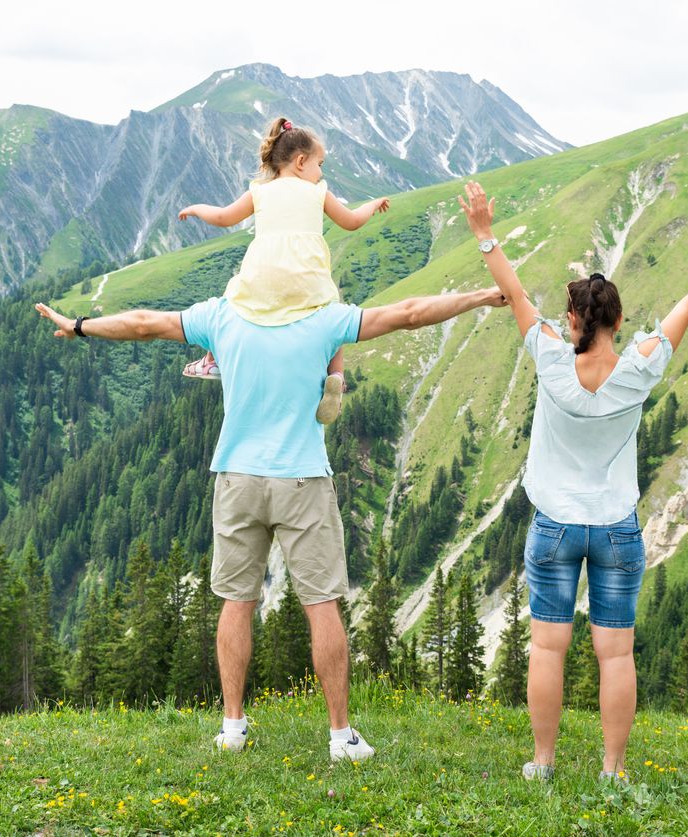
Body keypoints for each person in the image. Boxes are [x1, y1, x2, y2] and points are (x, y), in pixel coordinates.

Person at [34, 283, 505, 761]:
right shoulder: (323, 319)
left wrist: (78, 326)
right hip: (302, 478)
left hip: (238, 477)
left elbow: (142, 324)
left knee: (236, 602)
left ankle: (232, 728)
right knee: (322, 605)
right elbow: (410, 311)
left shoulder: (222, 316)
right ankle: (341, 737)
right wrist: (480, 297)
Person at [457, 180, 688, 782]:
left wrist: (483, 233)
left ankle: (543, 763)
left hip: (555, 525)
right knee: (617, 654)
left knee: (548, 649)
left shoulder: (551, 356)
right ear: (620, 319)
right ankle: (613, 769)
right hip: (616, 529)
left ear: (574, 318)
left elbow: (513, 290)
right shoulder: (639, 368)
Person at [177, 117, 390, 423]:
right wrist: (373, 205)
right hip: (308, 281)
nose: (322, 172)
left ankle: (212, 360)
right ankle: (337, 375)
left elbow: (224, 217)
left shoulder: (260, 192)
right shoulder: (319, 192)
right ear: (301, 161)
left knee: (229, 304)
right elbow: (351, 222)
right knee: (333, 314)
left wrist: (195, 208)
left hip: (263, 280)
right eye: (320, 164)